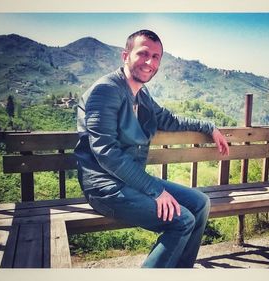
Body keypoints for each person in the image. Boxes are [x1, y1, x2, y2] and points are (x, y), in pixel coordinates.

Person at [74, 29, 229, 268]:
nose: (150, 62)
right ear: (125, 55)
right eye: (143, 53)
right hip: (105, 188)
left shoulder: (142, 94)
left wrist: (209, 127)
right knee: (182, 220)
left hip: (131, 182)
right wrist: (155, 190)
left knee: (200, 203)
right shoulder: (105, 91)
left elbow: (170, 120)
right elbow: (106, 152)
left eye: (156, 57)